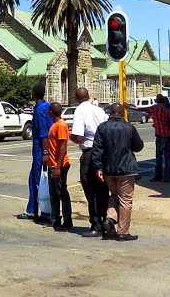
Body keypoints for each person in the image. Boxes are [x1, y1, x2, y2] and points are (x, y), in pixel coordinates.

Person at [93, 103, 145, 241]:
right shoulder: (129, 127)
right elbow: (138, 146)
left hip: (108, 169)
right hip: (126, 169)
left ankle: (110, 219)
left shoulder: (102, 127)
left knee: (114, 195)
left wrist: (98, 167)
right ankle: (123, 231)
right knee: (125, 200)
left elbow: (97, 149)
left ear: (110, 113)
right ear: (122, 113)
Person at [70, 87, 110, 237]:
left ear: (76, 98)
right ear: (88, 96)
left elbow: (79, 137)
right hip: (103, 151)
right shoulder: (99, 110)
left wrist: (71, 136)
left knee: (90, 189)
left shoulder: (80, 111)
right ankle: (106, 219)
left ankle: (96, 223)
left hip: (90, 152)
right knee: (103, 188)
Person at [18, 80, 52, 222]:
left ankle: (36, 211)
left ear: (34, 94)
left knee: (37, 180)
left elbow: (43, 133)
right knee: (43, 180)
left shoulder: (38, 110)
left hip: (40, 150)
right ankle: (42, 210)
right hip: (48, 148)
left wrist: (44, 152)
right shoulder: (48, 106)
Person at [128, 94, 170, 182]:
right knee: (167, 156)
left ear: (157, 101)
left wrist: (128, 106)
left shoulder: (154, 108)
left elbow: (140, 109)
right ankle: (167, 176)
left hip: (160, 135)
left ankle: (158, 176)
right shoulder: (167, 110)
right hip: (168, 134)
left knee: (159, 156)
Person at [45, 102, 73, 230]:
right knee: (53, 193)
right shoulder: (54, 125)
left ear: (51, 112)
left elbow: (62, 147)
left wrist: (58, 167)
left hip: (60, 164)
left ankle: (68, 220)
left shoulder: (61, 125)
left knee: (62, 192)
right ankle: (55, 218)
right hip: (52, 164)